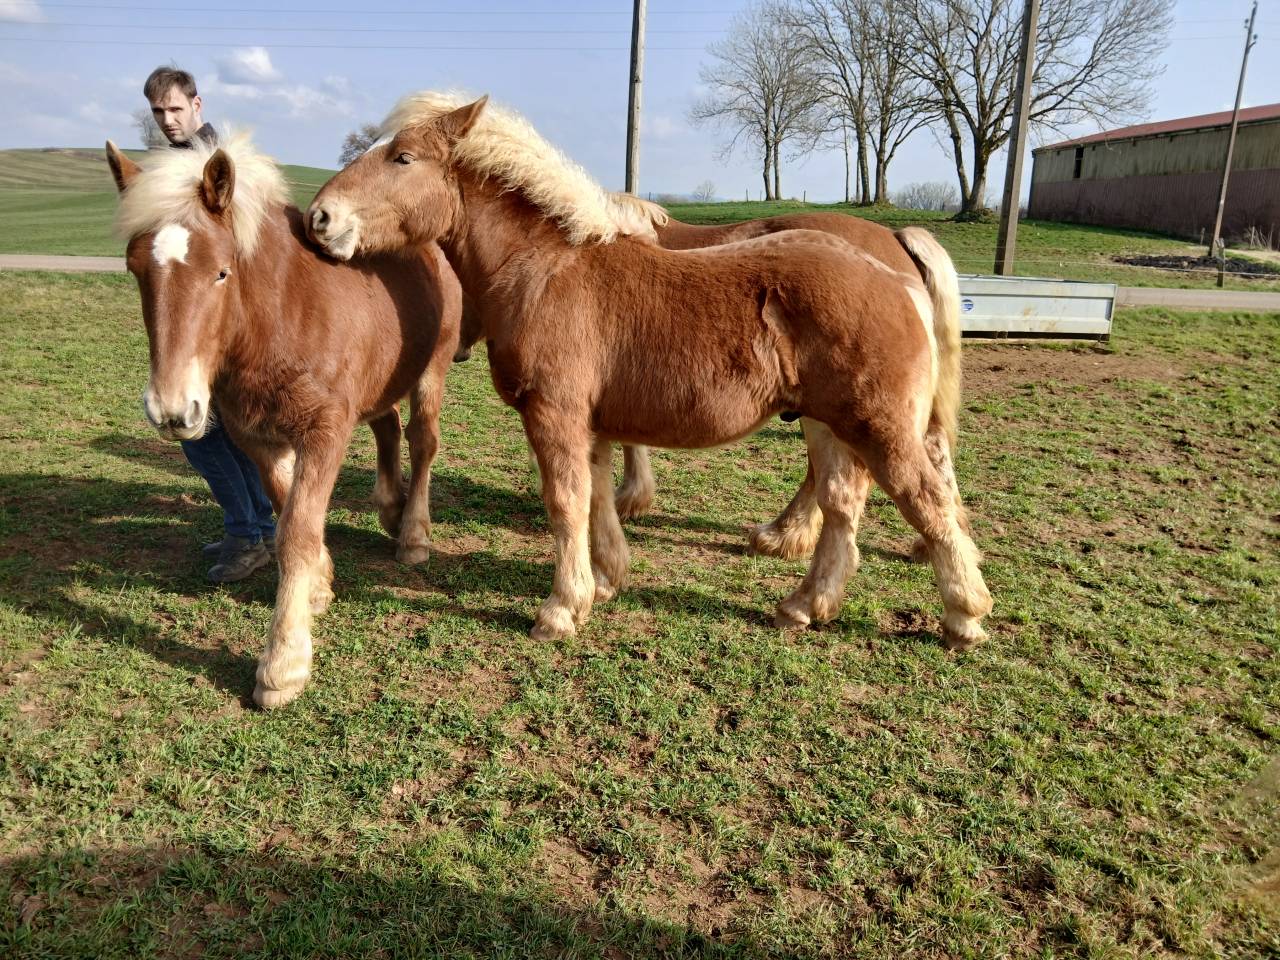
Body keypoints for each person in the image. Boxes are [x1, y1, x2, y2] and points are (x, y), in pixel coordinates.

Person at [143, 65, 276, 583]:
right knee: (227, 436)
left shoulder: (218, 166)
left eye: (176, 108)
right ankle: (259, 528)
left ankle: (247, 534)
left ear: (197, 105)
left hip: (224, 329)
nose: (167, 119)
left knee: (203, 439)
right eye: (159, 111)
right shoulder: (172, 166)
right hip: (198, 325)